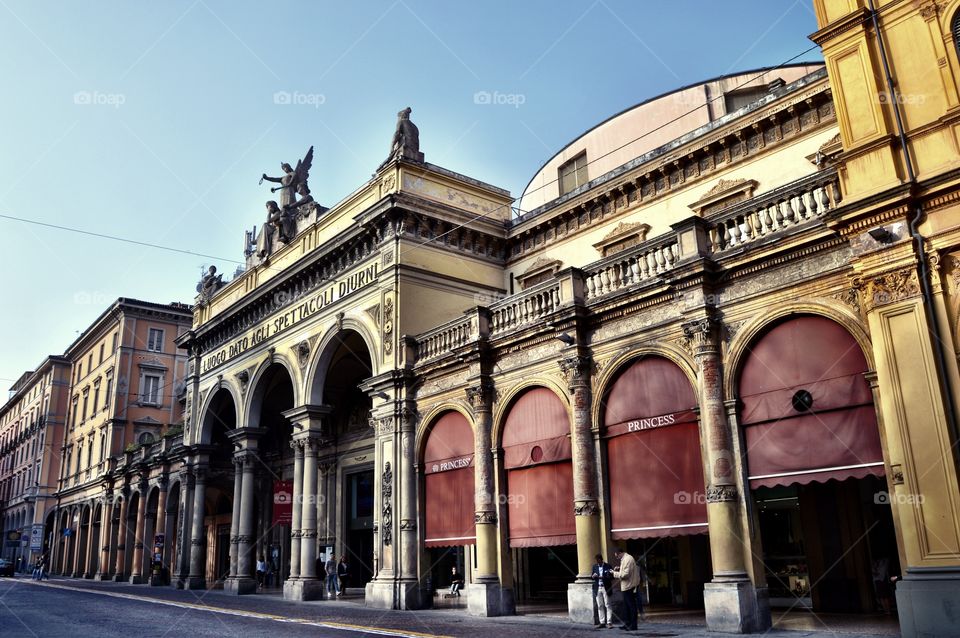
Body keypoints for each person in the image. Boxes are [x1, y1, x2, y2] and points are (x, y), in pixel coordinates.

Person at [613, 548, 641, 630]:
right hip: (626, 586)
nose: (617, 558)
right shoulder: (625, 559)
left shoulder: (628, 559)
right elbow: (626, 570)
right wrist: (619, 569)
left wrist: (614, 573)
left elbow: (625, 575)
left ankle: (633, 625)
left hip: (629, 586)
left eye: (617, 556)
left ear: (620, 553)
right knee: (627, 607)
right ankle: (628, 624)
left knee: (631, 606)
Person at [591, 553, 615, 629]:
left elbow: (612, 577)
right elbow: (592, 577)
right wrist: (593, 576)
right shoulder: (594, 567)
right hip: (598, 588)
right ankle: (602, 622)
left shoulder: (608, 566)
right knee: (600, 605)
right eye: (597, 561)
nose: (598, 563)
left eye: (599, 561)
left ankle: (609, 622)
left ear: (601, 559)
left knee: (608, 604)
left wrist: (603, 577)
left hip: (606, 588)